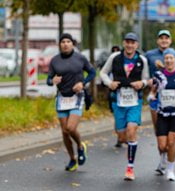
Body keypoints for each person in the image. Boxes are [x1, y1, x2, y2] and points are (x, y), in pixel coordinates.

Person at [100, 32, 149, 181]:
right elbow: (103, 73)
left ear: (137, 45)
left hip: (135, 101)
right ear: (123, 43)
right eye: (127, 42)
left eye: (132, 42)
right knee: (122, 136)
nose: (130, 45)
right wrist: (109, 83)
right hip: (118, 101)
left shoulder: (142, 60)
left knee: (131, 129)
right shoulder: (114, 58)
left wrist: (143, 83)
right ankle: (126, 141)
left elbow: (146, 78)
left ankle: (130, 167)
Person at [47, 33, 96, 172]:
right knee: (64, 132)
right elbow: (48, 80)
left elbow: (92, 72)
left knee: (70, 128)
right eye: (63, 41)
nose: (65, 44)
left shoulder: (80, 58)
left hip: (77, 96)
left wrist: (83, 82)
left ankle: (81, 146)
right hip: (62, 98)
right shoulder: (55, 60)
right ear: (60, 44)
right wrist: (53, 81)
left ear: (72, 44)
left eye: (68, 41)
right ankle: (72, 159)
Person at [145, 30, 175, 171]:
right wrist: (147, 82)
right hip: (155, 95)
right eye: (161, 38)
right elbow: (143, 69)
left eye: (166, 38)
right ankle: (162, 159)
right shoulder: (149, 55)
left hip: (171, 98)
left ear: (170, 41)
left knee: (169, 136)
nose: (164, 40)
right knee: (159, 130)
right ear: (157, 41)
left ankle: (166, 161)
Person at [150, 48, 175, 181]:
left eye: (171, 58)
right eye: (166, 58)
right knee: (162, 145)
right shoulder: (158, 74)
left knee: (171, 143)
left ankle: (170, 170)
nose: (168, 60)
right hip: (162, 113)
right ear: (164, 60)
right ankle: (163, 160)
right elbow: (153, 90)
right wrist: (151, 96)